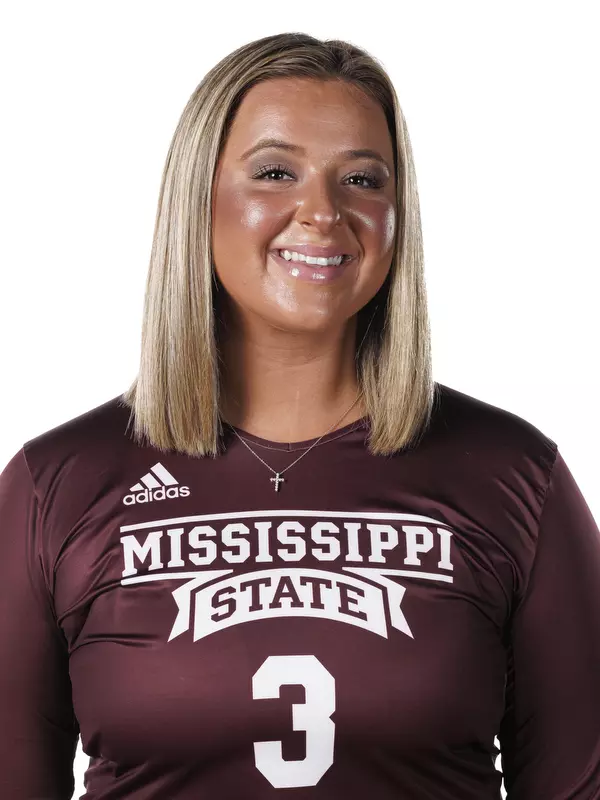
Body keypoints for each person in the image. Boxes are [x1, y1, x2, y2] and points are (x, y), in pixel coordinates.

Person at [1, 31, 599, 800]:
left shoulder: (517, 477)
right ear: (199, 197)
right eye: (275, 172)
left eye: (362, 179)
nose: (322, 212)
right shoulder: (56, 486)